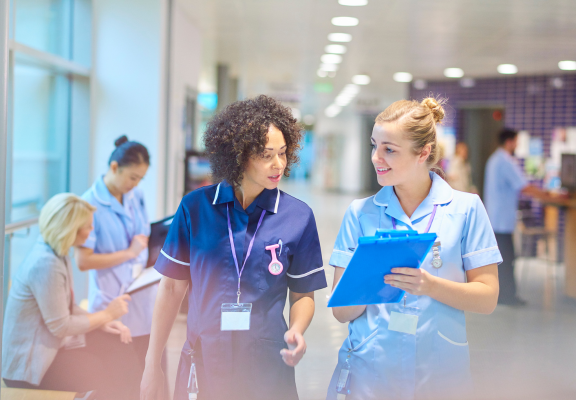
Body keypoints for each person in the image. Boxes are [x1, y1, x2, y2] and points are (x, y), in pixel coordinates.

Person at [140, 95, 328, 400]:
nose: (278, 164)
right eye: (267, 155)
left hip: (267, 362)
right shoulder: (195, 208)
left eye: (282, 153)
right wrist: (152, 364)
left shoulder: (297, 216)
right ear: (238, 155)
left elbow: (303, 293)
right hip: (204, 359)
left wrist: (297, 329)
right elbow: (172, 289)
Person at [327, 98, 502, 400]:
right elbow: (342, 312)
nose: (376, 158)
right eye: (374, 145)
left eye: (389, 149)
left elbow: (487, 298)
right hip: (370, 371)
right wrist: (367, 277)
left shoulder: (466, 210)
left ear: (423, 153)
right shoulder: (360, 214)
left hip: (439, 373)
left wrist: (430, 285)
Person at [2, 193, 141, 400]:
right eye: (87, 226)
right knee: (103, 371)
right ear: (70, 229)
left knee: (122, 351)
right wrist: (107, 315)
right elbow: (61, 326)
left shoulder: (57, 253)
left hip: (50, 349)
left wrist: (104, 322)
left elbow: (67, 306)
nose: (92, 230)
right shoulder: (46, 264)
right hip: (29, 368)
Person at [76, 136, 155, 367]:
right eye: (132, 177)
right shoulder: (89, 203)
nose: (136, 184)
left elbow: (143, 235)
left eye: (140, 178)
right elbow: (83, 260)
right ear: (114, 167)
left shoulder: (136, 195)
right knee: (121, 377)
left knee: (147, 370)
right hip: (110, 302)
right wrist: (129, 254)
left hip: (141, 295)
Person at [484, 128, 550, 306]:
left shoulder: (494, 159)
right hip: (502, 221)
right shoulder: (505, 161)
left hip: (496, 218)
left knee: (502, 260)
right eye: (516, 141)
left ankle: (502, 295)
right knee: (507, 260)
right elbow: (523, 186)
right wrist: (547, 195)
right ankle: (507, 297)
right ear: (510, 142)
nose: (517, 145)